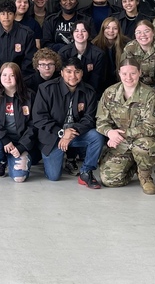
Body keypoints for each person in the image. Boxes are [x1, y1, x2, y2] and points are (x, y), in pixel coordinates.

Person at [32, 56, 105, 187]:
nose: (73, 75)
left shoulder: (89, 91)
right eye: (69, 71)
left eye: (77, 72)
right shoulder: (46, 89)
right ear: (61, 72)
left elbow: (89, 119)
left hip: (75, 134)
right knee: (53, 176)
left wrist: (71, 132)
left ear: (82, 73)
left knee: (96, 136)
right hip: (54, 136)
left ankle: (86, 171)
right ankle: (58, 159)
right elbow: (39, 118)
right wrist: (61, 132)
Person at [96, 58, 155, 194]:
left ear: (139, 72)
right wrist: (109, 132)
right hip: (121, 143)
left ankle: (145, 177)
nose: (128, 77)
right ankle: (133, 165)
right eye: (124, 74)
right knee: (109, 180)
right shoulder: (110, 93)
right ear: (119, 74)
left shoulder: (150, 95)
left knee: (143, 146)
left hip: (145, 140)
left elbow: (151, 126)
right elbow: (101, 121)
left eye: (133, 73)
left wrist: (120, 134)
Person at [0, 62, 36, 182]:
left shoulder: (30, 96)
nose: (7, 79)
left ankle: (14, 157)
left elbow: (34, 124)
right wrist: (4, 139)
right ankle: (2, 161)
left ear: (18, 77)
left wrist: (22, 146)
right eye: (4, 75)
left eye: (12, 75)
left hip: (21, 140)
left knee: (19, 178)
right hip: (1, 139)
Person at [0, 0, 36, 82]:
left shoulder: (27, 33)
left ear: (14, 16)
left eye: (10, 13)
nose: (6, 17)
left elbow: (29, 59)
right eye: (3, 14)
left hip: (22, 78)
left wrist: (18, 79)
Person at [57, 20, 106, 93]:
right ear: (72, 34)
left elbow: (96, 80)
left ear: (88, 34)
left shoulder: (98, 54)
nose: (80, 33)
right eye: (76, 31)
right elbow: (62, 77)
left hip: (90, 92)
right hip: (68, 90)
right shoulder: (64, 52)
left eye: (83, 31)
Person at [122, 19, 155, 86]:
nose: (143, 35)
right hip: (134, 86)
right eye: (138, 32)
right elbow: (125, 73)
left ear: (153, 32)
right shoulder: (129, 48)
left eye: (146, 31)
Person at [91, 16, 127, 90]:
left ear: (119, 30)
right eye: (107, 28)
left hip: (121, 84)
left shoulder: (126, 44)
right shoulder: (94, 44)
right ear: (103, 29)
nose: (111, 31)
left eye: (115, 28)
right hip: (100, 85)